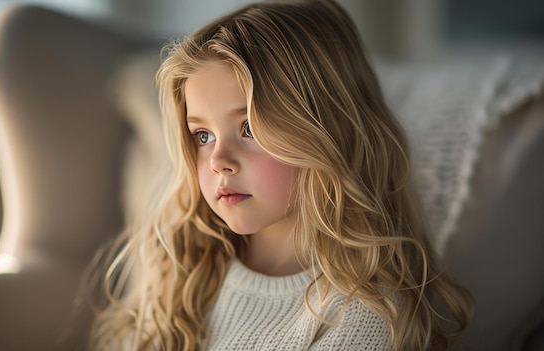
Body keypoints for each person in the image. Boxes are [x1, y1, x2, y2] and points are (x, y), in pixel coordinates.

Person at [91, 0, 474, 349]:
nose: (218, 161)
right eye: (202, 135)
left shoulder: (364, 317)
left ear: (330, 132)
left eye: (250, 129)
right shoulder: (186, 273)